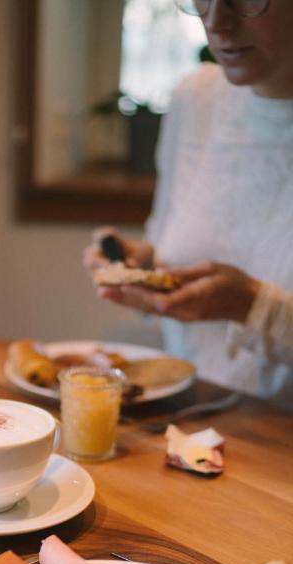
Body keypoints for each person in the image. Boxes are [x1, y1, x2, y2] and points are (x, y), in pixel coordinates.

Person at [83, 0, 293, 409]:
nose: (216, 22)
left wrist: (252, 306)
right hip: (187, 423)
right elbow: (168, 243)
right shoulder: (196, 99)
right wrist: (145, 270)